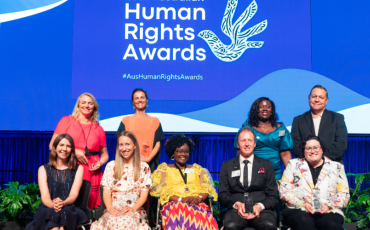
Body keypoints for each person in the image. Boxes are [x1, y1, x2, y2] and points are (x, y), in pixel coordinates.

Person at [49, 92, 109, 209]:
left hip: (93, 171)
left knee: (91, 207)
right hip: (71, 166)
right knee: (70, 203)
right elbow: (52, 145)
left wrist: (100, 163)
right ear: (78, 105)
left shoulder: (99, 128)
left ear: (94, 107)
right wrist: (74, 151)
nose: (86, 105)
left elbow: (105, 155)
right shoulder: (67, 121)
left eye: (90, 103)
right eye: (83, 102)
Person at [279, 136, 349, 230]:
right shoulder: (293, 165)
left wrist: (328, 206)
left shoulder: (337, 167)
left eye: (316, 147)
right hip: (299, 210)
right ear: (303, 151)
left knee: (332, 224)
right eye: (308, 148)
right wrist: (302, 204)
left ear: (322, 149)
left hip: (329, 210)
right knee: (303, 222)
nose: (313, 151)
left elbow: (344, 194)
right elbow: (284, 192)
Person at [150, 134, 218, 230]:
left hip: (196, 204)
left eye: (186, 151)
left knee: (201, 214)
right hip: (174, 204)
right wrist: (181, 199)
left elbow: (206, 188)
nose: (183, 154)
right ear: (173, 153)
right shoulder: (164, 169)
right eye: (180, 151)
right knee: (177, 210)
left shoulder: (198, 169)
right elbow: (161, 191)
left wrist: (198, 199)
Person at [220, 127, 279, 230]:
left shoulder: (267, 165)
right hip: (235, 211)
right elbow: (222, 195)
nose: (247, 144)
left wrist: (260, 206)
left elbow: (273, 196)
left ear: (255, 144)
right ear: (238, 144)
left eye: (250, 140)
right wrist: (236, 205)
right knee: (230, 226)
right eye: (243, 140)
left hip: (262, 211)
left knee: (268, 226)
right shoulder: (227, 165)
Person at [91, 131, 152, 230]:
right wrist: (110, 208)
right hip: (114, 207)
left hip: (134, 208)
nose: (124, 148)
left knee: (127, 221)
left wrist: (133, 209)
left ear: (135, 145)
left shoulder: (144, 167)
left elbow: (144, 195)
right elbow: (106, 192)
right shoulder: (111, 166)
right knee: (111, 220)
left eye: (127, 144)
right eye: (121, 145)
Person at [25, 134, 87, 230]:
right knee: (54, 224)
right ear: (55, 147)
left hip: (71, 207)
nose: (64, 149)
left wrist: (63, 203)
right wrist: (54, 205)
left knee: (63, 220)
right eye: (61, 145)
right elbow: (45, 197)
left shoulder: (79, 169)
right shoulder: (42, 169)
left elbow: (74, 194)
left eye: (68, 146)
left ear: (72, 149)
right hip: (48, 207)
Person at [234, 97, 292, 181]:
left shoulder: (281, 129)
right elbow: (240, 152)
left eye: (268, 107)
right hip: (253, 174)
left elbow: (285, 154)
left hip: (275, 175)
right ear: (255, 109)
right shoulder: (247, 128)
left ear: (272, 110)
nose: (265, 109)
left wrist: (291, 175)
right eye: (261, 107)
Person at [291, 85, 348, 164]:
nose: (317, 100)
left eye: (321, 97)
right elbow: (295, 144)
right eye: (314, 96)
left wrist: (321, 159)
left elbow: (341, 143)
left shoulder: (337, 118)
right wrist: (311, 158)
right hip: (306, 165)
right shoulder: (298, 120)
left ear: (326, 100)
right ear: (309, 98)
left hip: (331, 164)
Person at [116, 88, 165, 172]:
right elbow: (120, 143)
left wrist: (148, 159)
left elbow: (157, 144)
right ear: (133, 102)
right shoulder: (125, 120)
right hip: (129, 162)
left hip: (148, 163)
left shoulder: (155, 121)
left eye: (142, 97)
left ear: (147, 100)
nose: (140, 100)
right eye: (137, 98)